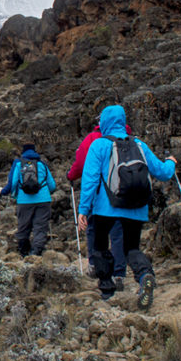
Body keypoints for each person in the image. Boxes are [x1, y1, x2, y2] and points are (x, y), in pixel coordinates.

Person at [77, 105, 176, 309]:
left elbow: (90, 180)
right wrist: (171, 162)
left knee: (100, 246)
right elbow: (163, 173)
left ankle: (107, 288)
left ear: (104, 122)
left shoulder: (99, 145)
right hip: (136, 207)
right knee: (131, 247)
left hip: (106, 208)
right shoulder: (139, 144)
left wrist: (83, 210)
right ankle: (144, 275)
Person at [68, 122, 129, 289]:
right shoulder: (128, 137)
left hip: (100, 198)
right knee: (118, 234)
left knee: (94, 230)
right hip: (124, 195)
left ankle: (95, 266)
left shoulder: (93, 139)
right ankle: (119, 274)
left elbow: (81, 164)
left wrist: (71, 175)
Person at [1, 143, 56, 256]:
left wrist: (15, 195)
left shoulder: (19, 165)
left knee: (23, 226)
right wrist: (45, 194)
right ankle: (36, 252)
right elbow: (52, 185)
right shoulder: (42, 164)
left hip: (24, 201)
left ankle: (23, 252)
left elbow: (14, 183)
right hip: (43, 200)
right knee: (40, 227)